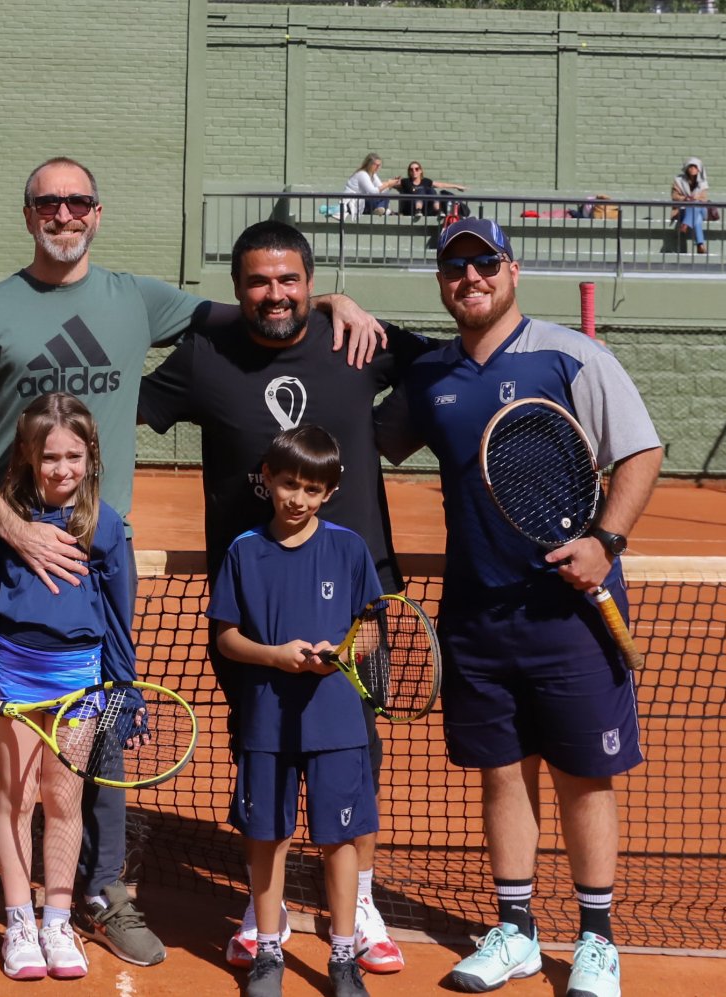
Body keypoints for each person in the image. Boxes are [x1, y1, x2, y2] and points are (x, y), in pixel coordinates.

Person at [0, 156, 383, 968]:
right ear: (28, 213)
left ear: (97, 214)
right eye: (48, 203)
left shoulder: (137, 299)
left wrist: (331, 300)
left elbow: (255, 307)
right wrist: (14, 527)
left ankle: (96, 890)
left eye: (78, 202)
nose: (63, 214)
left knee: (96, 724)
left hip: (93, 551)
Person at [375, 218, 662, 997]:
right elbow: (370, 440)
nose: (470, 276)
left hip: (572, 615)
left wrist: (606, 540)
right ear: (442, 281)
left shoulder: (571, 356)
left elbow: (641, 450)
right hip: (476, 615)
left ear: (512, 268)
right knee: (502, 774)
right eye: (454, 266)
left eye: (484, 262)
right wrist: (339, 314)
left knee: (583, 776)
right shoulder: (430, 377)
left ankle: (596, 939)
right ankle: (517, 930)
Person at [139, 219, 433, 975]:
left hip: (355, 599)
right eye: (259, 281)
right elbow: (126, 404)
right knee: (260, 753)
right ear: (239, 290)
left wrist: (387, 425)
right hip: (253, 610)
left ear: (311, 282)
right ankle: (262, 906)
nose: (276, 293)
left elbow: (443, 362)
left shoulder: (355, 342)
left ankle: (357, 902)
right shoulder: (205, 355)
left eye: (291, 280)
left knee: (355, 756)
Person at [0, 392, 132, 982]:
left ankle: (56, 919)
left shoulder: (105, 526)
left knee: (64, 800)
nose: (62, 469)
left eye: (73, 457)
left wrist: (124, 688)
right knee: (17, 797)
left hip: (79, 684)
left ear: (91, 457)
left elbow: (118, 617)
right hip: (14, 681)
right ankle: (20, 924)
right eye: (50, 456)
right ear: (28, 456)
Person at [208, 426, 381, 997]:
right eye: (288, 485)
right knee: (267, 836)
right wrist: (275, 656)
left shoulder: (349, 548)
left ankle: (344, 955)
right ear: (267, 479)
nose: (298, 499)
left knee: (340, 840)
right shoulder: (243, 550)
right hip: (266, 722)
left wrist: (344, 653)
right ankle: (267, 950)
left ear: (330, 492)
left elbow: (371, 630)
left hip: (337, 724)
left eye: (312, 490)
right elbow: (227, 638)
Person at [395, 162, 465, 218]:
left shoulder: (426, 181)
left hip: (426, 209)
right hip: (411, 209)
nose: (414, 171)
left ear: (420, 171)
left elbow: (440, 185)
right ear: (409, 172)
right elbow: (392, 185)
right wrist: (395, 181)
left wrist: (456, 186)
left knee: (431, 190)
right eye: (411, 169)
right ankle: (418, 210)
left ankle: (438, 211)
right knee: (421, 190)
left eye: (416, 169)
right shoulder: (406, 181)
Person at [671, 157, 710, 254]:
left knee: (696, 203)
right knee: (697, 219)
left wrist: (696, 197)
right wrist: (685, 198)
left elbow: (704, 199)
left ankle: (685, 224)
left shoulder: (703, 182)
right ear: (686, 168)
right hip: (683, 210)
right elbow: (674, 196)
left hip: (701, 209)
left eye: (695, 167)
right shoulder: (679, 181)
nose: (692, 169)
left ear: (699, 169)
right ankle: (700, 245)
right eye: (690, 166)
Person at [340, 154, 399, 219]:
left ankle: (380, 209)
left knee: (386, 196)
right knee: (377, 198)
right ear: (369, 164)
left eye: (379, 165)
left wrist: (391, 185)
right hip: (353, 204)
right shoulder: (362, 174)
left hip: (362, 202)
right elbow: (372, 192)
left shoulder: (373, 175)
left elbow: (381, 190)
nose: (378, 167)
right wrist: (388, 183)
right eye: (376, 165)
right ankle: (382, 209)